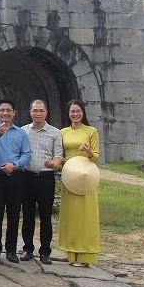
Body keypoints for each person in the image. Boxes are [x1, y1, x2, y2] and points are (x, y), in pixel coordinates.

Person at [0, 98, 32, 264]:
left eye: (8, 110)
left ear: (14, 112)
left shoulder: (20, 133)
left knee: (13, 214)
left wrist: (15, 165)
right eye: (2, 110)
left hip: (16, 177)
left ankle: (11, 251)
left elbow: (26, 154)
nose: (5, 113)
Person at [20, 99, 63, 265]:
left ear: (47, 112)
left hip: (45, 178)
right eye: (35, 110)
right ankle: (27, 249)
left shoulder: (54, 132)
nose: (38, 113)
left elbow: (58, 154)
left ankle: (45, 251)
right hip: (27, 177)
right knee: (28, 215)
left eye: (41, 110)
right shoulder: (24, 131)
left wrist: (54, 164)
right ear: (30, 112)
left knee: (46, 217)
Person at [60, 99, 101, 267]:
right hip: (70, 175)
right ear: (68, 114)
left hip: (86, 176)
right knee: (71, 217)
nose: (75, 114)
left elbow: (96, 156)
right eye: (72, 111)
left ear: (83, 113)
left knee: (86, 217)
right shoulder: (63, 132)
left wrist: (88, 151)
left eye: (78, 111)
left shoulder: (91, 131)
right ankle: (71, 253)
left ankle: (86, 255)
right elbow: (61, 155)